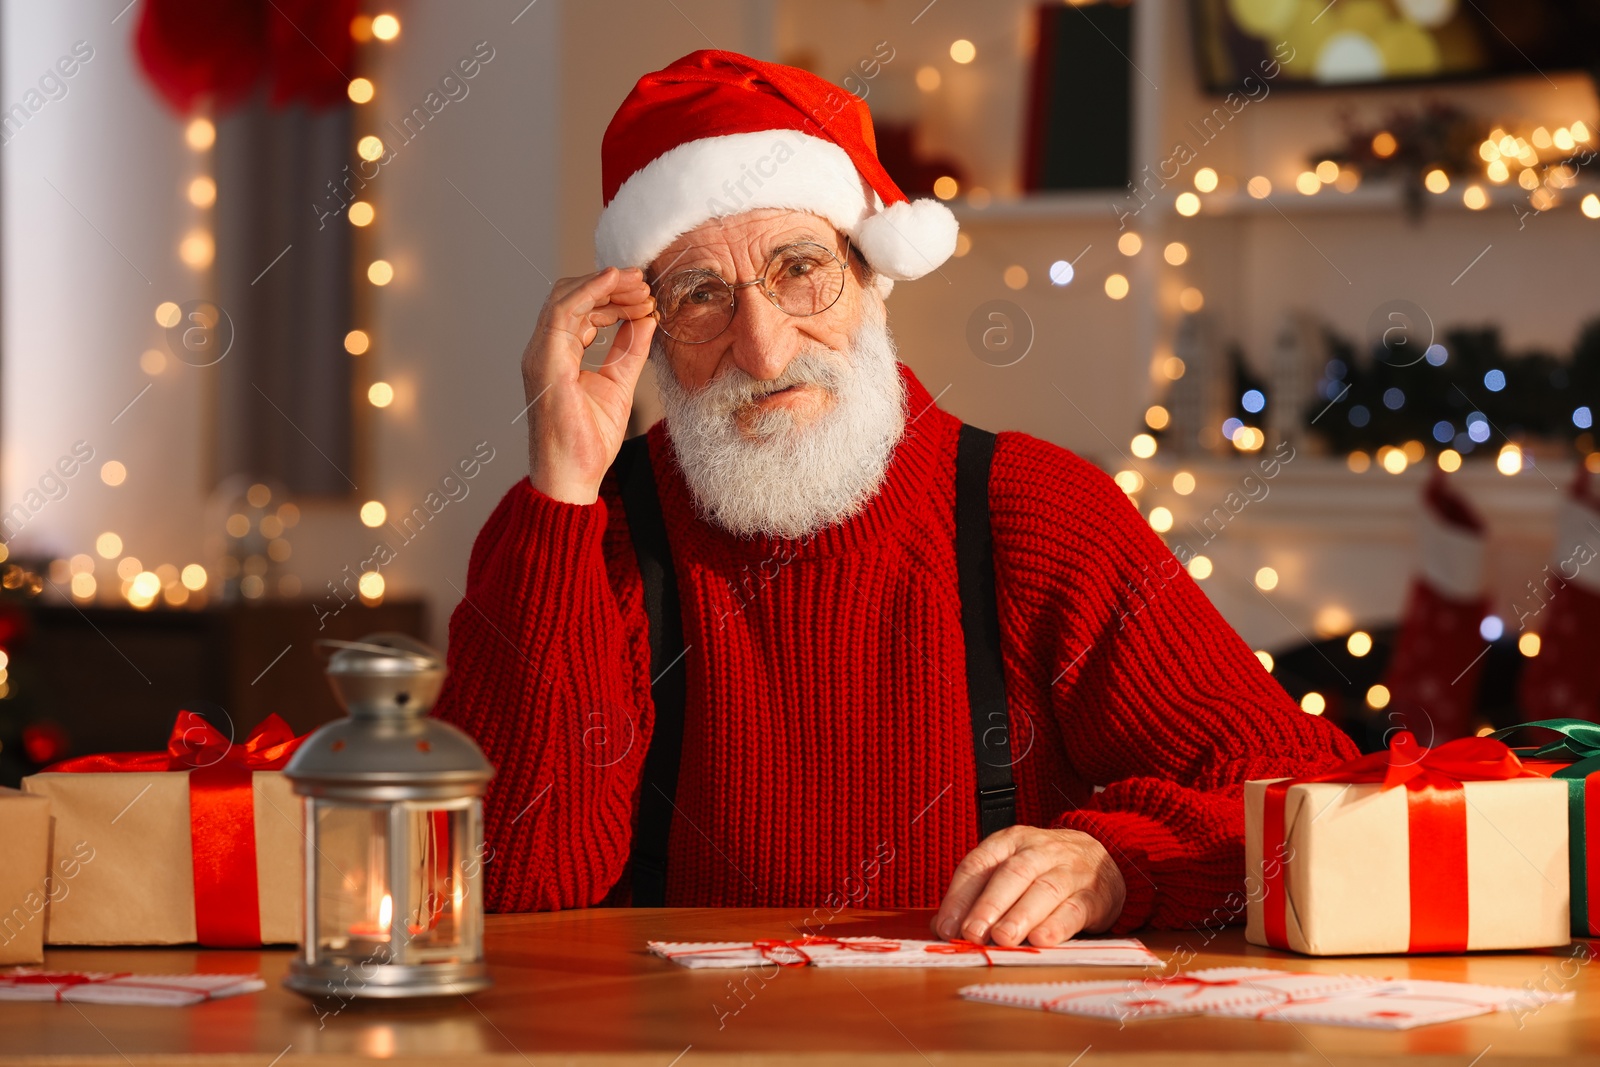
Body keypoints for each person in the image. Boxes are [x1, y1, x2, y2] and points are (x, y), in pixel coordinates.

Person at [433, 49, 1357, 948]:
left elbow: (1305, 798)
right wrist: (561, 490)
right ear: (651, 334)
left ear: (870, 276)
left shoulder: (1038, 513)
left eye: (800, 267)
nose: (764, 347)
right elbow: (509, 879)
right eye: (701, 294)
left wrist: (1117, 862)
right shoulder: (584, 537)